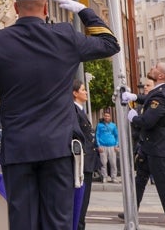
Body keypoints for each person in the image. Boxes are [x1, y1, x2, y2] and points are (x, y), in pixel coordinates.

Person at [0, 0, 120, 230]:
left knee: (22, 222)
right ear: (45, 8)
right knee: (58, 222)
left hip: (17, 148)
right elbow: (110, 44)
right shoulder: (65, 36)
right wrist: (84, 11)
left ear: (16, 8)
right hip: (58, 148)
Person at [121, 63, 165, 230]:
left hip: (160, 150)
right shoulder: (163, 91)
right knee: (149, 184)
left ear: (161, 76)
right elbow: (151, 99)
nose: (152, 67)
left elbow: (147, 121)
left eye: (156, 67)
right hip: (153, 148)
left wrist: (133, 117)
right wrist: (135, 97)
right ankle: (131, 215)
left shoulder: (162, 96)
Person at [71, 81, 99, 230]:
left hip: (87, 162)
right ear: (75, 93)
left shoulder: (80, 110)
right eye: (83, 90)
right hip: (81, 163)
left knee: (84, 203)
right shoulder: (73, 111)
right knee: (80, 204)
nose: (86, 92)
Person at [96, 110, 119, 182]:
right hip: (103, 146)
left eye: (108, 116)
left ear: (110, 117)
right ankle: (104, 177)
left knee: (113, 163)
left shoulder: (113, 125)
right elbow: (97, 135)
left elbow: (116, 136)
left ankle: (114, 177)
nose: (106, 117)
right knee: (103, 163)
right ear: (103, 116)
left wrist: (116, 145)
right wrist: (98, 145)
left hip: (112, 146)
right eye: (105, 116)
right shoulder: (99, 125)